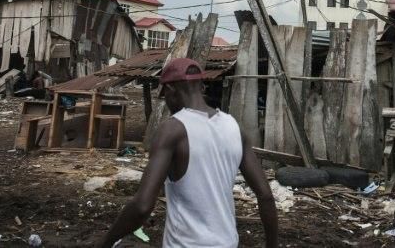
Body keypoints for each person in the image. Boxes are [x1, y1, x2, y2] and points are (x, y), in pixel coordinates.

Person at [99, 58, 277, 248]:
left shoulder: (173, 130)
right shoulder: (233, 127)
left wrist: (106, 242)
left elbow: (142, 206)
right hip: (227, 243)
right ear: (201, 87)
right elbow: (265, 196)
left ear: (170, 90)